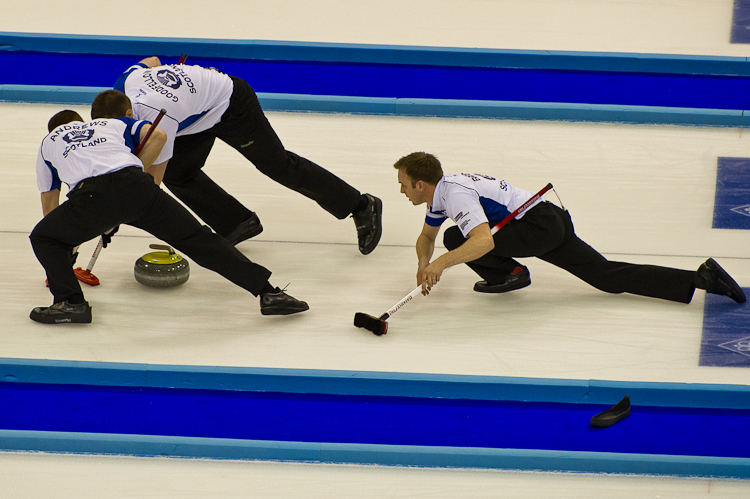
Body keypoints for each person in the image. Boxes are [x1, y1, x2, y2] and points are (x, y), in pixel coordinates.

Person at [29, 103, 309, 324]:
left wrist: (68, 248)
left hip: (90, 197)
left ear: (53, 129)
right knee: (199, 239)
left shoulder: (47, 143)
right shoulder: (111, 124)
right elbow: (159, 135)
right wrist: (134, 171)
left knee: (44, 237)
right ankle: (269, 293)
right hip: (138, 187)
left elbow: (49, 201)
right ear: (82, 121)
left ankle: (71, 303)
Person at [104, 57, 382, 254]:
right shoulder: (124, 81)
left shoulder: (157, 119)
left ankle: (360, 204)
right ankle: (237, 224)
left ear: (130, 114)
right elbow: (152, 60)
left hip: (232, 104)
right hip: (194, 116)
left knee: (277, 165)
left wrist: (112, 215)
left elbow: (149, 188)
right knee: (179, 172)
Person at [393, 151, 746, 305]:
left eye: (405, 184)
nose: (402, 190)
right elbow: (426, 237)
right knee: (606, 277)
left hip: (537, 224)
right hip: (547, 218)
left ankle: (511, 273)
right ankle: (699, 279)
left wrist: (441, 263)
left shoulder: (455, 194)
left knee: (459, 238)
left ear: (422, 184)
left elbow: (483, 242)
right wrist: (424, 263)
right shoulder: (440, 195)